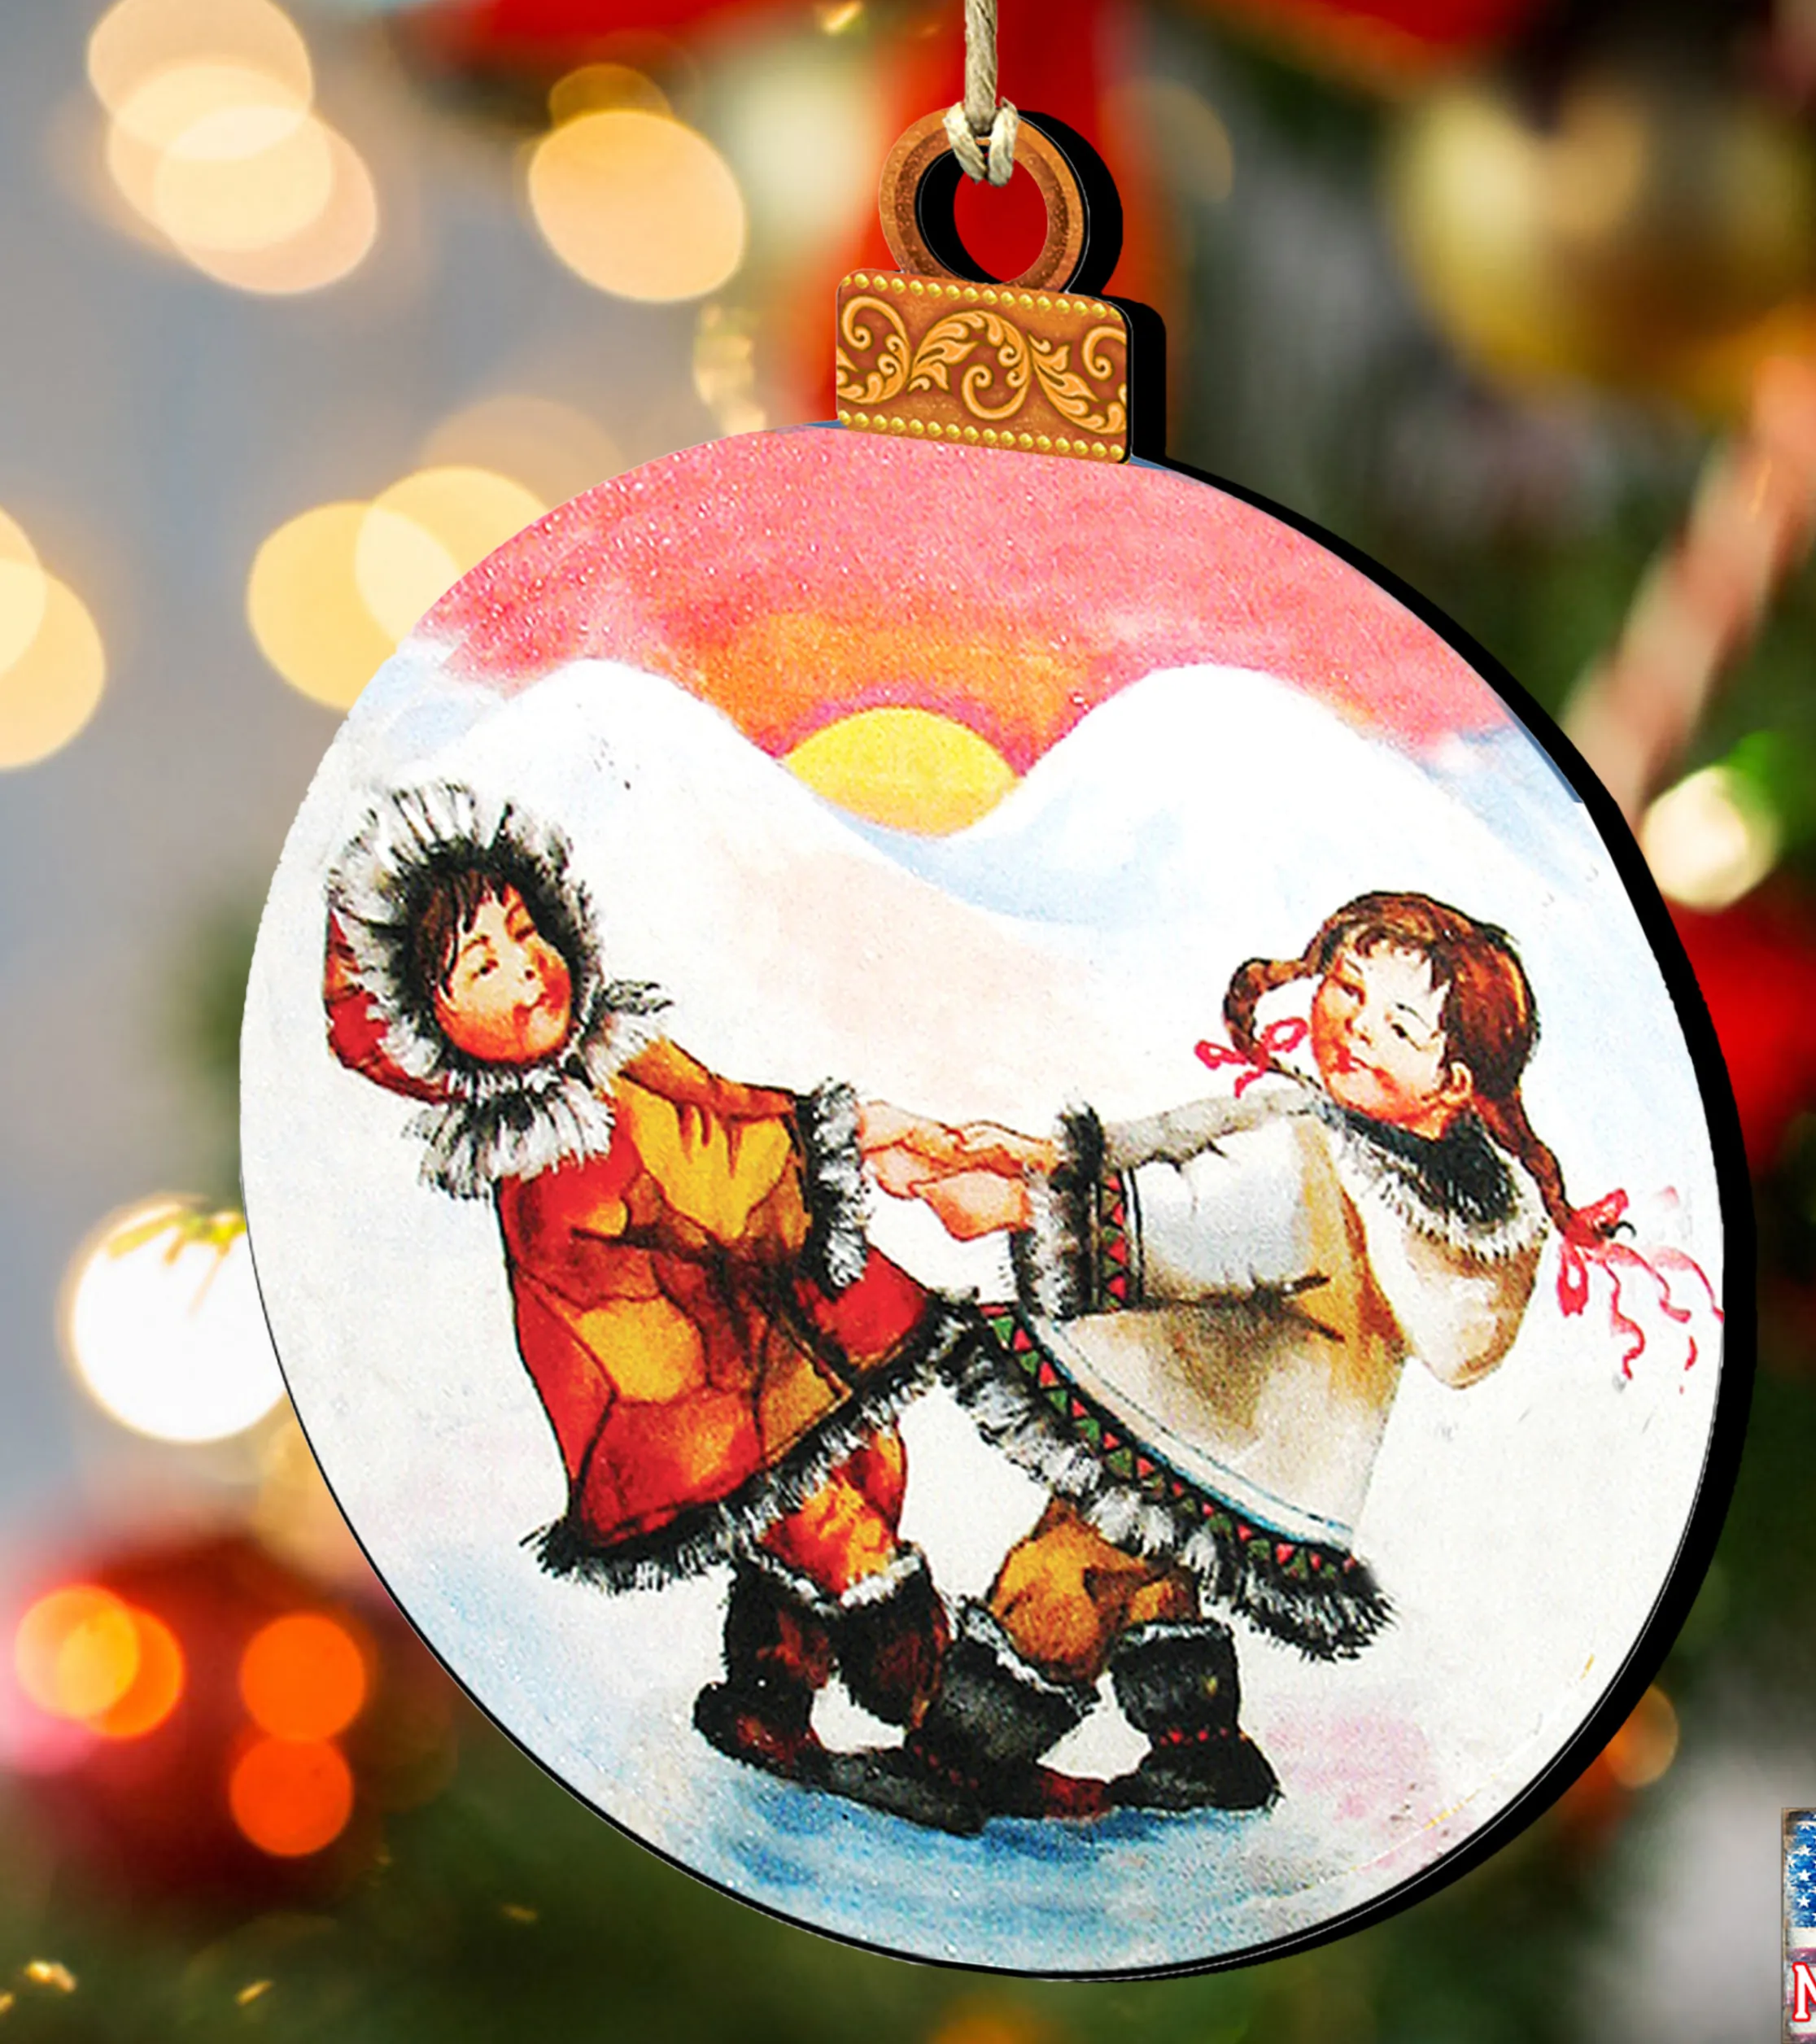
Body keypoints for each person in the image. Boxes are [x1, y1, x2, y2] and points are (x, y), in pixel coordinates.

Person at [853, 891, 1578, 1830]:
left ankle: (950, 1766)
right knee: (1152, 1563)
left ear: (1452, 1085)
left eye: (1398, 1026)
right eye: (1347, 987)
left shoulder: (1320, 1168)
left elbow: (1195, 1219)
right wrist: (1032, 1154)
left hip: (1211, 1433)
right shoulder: (1348, 1144)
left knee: (1071, 1561)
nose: (1355, 1025)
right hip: (1244, 1444)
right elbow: (1178, 1143)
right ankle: (1202, 1752)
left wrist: (1017, 1204)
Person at [322, 782, 968, 1801]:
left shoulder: (619, 1055)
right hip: (675, 1398)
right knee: (837, 1530)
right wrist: (834, 1137)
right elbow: (715, 1176)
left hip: (749, 1334)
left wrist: (837, 1124)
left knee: (869, 1460)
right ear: (428, 1025)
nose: (527, 969)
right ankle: (954, 1732)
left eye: (526, 932)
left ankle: (770, 1698)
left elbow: (726, 1109)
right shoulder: (554, 1154)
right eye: (481, 965)